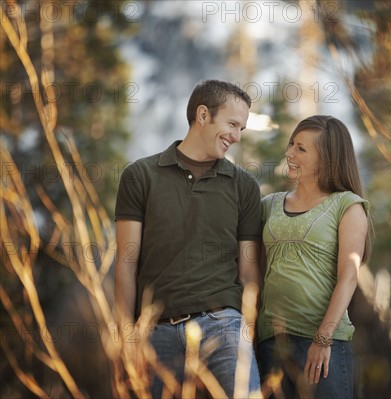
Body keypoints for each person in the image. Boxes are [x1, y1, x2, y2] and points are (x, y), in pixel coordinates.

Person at [114, 80, 262, 398]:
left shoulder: (244, 186)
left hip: (224, 327)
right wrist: (126, 337)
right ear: (203, 114)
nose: (236, 136)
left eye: (242, 129)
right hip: (155, 332)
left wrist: (249, 336)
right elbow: (126, 262)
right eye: (232, 124)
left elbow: (248, 273)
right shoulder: (140, 176)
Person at [257, 115, 372, 398]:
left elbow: (349, 276)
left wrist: (323, 338)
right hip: (271, 342)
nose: (289, 153)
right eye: (291, 144)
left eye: (301, 149)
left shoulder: (347, 205)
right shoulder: (268, 205)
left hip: (323, 344)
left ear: (326, 159)